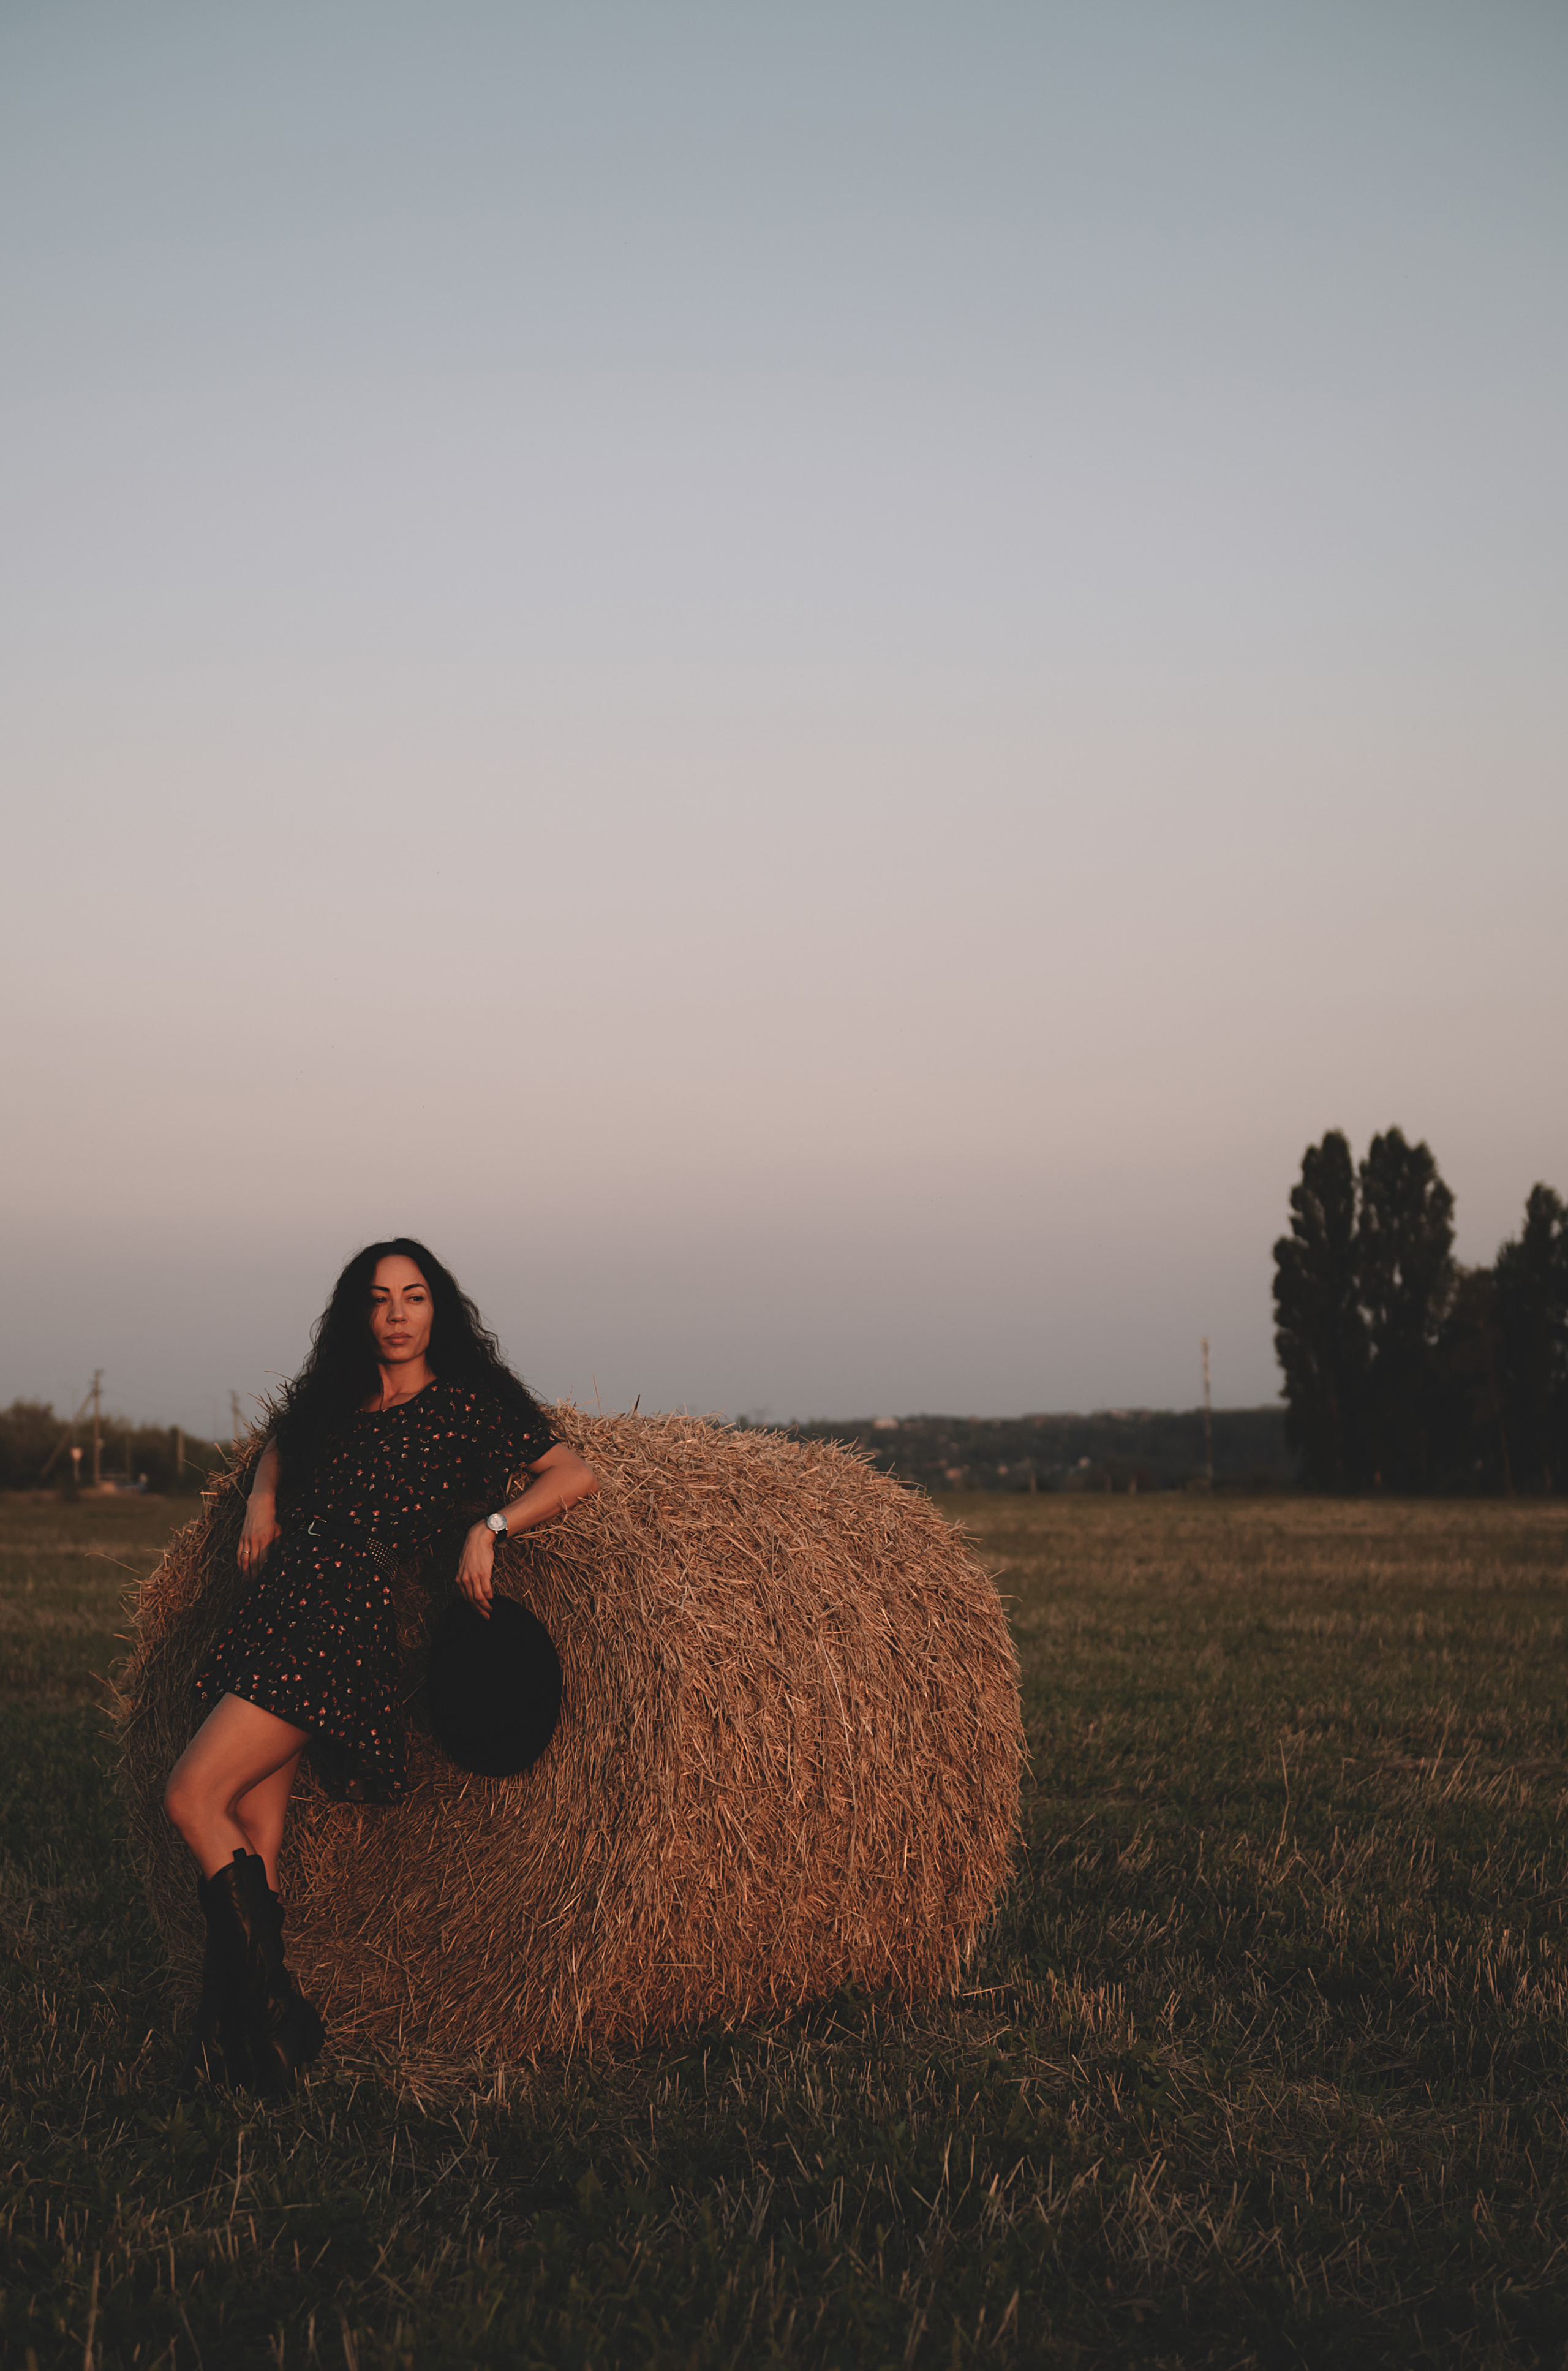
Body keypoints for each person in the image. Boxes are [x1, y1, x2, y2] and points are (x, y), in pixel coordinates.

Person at [162, 1237, 597, 2095]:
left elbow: (574, 1472)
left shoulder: (469, 1404)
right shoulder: (337, 1396)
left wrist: (490, 1529)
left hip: (336, 1611)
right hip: (284, 1596)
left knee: (189, 1794)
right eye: (380, 1298)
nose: (397, 1315)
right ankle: (241, 2044)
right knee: (259, 1828)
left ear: (440, 1309)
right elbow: (284, 1443)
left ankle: (282, 2012)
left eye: (414, 1296)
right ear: (360, 1312)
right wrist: (259, 1494)